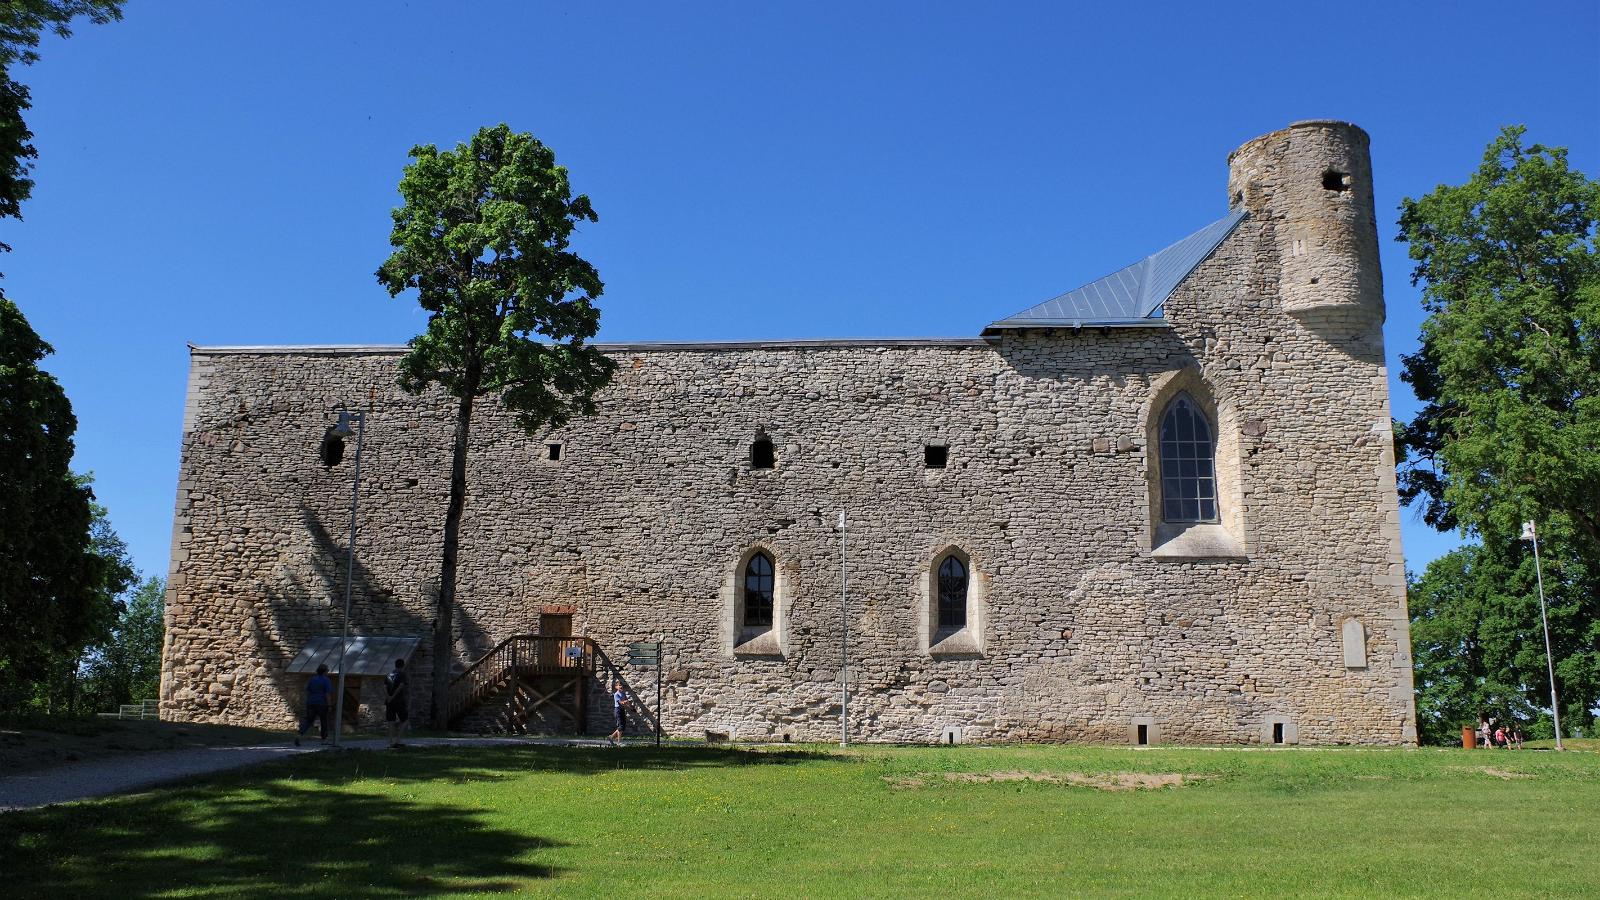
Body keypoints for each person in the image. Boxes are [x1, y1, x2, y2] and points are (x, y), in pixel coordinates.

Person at [294, 663, 333, 746]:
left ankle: (299, 735)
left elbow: (308, 691)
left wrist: (308, 701)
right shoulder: (326, 680)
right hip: (321, 704)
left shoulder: (312, 679)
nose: (328, 671)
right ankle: (324, 739)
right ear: (324, 671)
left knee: (309, 720)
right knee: (324, 721)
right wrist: (329, 705)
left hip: (311, 702)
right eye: (327, 670)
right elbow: (327, 694)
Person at [384, 658, 409, 748]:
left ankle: (391, 741)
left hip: (389, 702)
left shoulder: (388, 675)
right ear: (403, 665)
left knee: (391, 721)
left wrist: (388, 697)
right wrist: (393, 696)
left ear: (395, 665)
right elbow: (401, 686)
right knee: (405, 720)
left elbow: (384, 687)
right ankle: (398, 740)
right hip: (398, 701)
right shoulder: (402, 674)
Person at [609, 681, 630, 746]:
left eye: (621, 685)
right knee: (620, 726)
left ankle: (611, 737)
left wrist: (631, 708)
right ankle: (619, 743)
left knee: (622, 727)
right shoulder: (616, 694)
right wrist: (625, 702)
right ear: (616, 687)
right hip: (617, 710)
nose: (621, 686)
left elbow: (627, 702)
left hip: (622, 710)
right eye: (619, 685)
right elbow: (621, 702)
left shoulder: (623, 693)